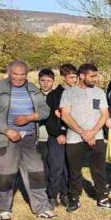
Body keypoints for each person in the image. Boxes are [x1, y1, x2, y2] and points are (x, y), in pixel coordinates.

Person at [0, 60, 54, 220]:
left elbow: (45, 110)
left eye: (22, 75)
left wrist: (30, 117)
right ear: (9, 72)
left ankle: (42, 207)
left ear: (27, 74)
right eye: (15, 74)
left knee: (36, 173)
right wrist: (7, 130)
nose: (19, 78)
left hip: (29, 139)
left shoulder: (32, 89)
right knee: (4, 175)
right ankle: (4, 209)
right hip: (5, 139)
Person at [60, 63, 111, 211]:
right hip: (75, 138)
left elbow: (104, 114)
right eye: (92, 76)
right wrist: (83, 133)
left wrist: (92, 132)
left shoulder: (99, 92)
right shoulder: (69, 93)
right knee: (74, 171)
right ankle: (74, 198)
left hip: (97, 137)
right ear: (82, 76)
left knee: (99, 169)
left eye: (96, 76)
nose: (95, 79)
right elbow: (65, 115)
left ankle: (103, 198)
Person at [42, 64, 75, 207]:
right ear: (63, 77)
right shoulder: (54, 95)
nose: (75, 80)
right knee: (56, 167)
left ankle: (65, 194)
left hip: (73, 135)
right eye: (71, 77)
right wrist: (59, 134)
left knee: (69, 168)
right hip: (56, 137)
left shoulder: (76, 93)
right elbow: (49, 119)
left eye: (76, 77)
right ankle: (52, 195)